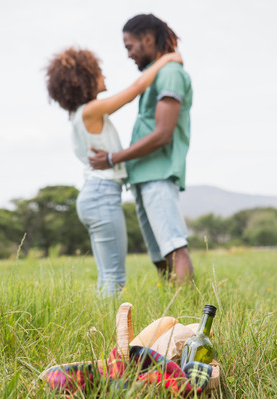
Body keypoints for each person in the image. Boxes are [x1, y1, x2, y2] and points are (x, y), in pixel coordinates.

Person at [45, 46, 183, 296]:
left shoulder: (79, 115)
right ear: (83, 80)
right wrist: (166, 61)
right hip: (102, 195)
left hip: (93, 195)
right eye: (99, 73)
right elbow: (134, 91)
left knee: (106, 276)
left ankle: (97, 322)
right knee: (114, 277)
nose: (105, 77)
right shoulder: (91, 110)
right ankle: (108, 329)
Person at [89, 14, 194, 284]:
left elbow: (162, 134)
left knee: (173, 246)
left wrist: (113, 158)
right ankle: (171, 312)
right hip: (143, 176)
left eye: (130, 46)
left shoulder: (170, 73)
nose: (128, 54)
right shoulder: (159, 73)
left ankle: (188, 312)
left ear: (148, 38)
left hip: (158, 174)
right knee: (159, 255)